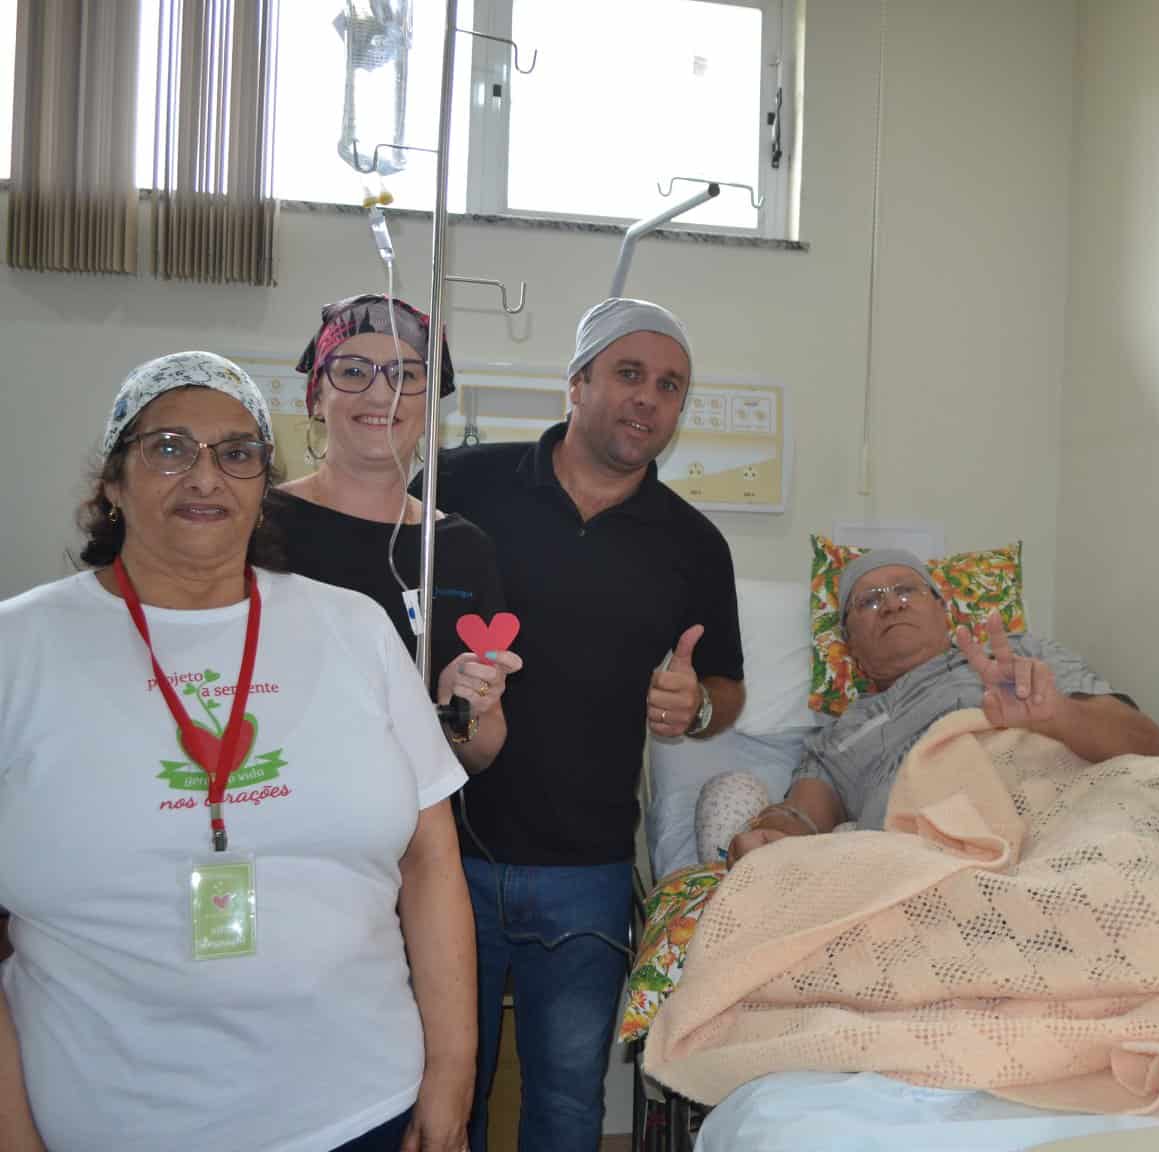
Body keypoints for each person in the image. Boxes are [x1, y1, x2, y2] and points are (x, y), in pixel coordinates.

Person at [0, 352, 475, 1152]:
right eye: (168, 447)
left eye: (237, 453)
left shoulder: (354, 629)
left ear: (262, 490)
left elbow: (432, 861)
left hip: (363, 1107)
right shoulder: (19, 648)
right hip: (110, 1121)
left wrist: (453, 1074)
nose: (205, 476)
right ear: (112, 482)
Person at [420, 298, 746, 1151]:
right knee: (445, 1096)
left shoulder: (693, 545)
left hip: (587, 870)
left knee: (567, 1109)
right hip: (442, 854)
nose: (648, 398)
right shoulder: (458, 486)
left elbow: (728, 685)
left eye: (669, 386)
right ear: (576, 383)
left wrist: (697, 707)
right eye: (629, 374)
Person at [729, 549, 1159, 862]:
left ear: (944, 613)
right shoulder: (835, 739)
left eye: (907, 589)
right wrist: (768, 836)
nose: (891, 605)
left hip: (1066, 828)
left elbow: (1150, 748)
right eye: (869, 601)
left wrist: (1055, 714)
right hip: (928, 865)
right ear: (850, 644)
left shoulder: (1021, 655)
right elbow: (800, 821)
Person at [271, 294, 522, 772]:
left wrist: (461, 705)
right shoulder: (259, 526)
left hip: (417, 815)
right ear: (317, 397)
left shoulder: (461, 548)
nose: (379, 394)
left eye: (405, 375)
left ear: (430, 407)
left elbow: (479, 754)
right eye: (352, 372)